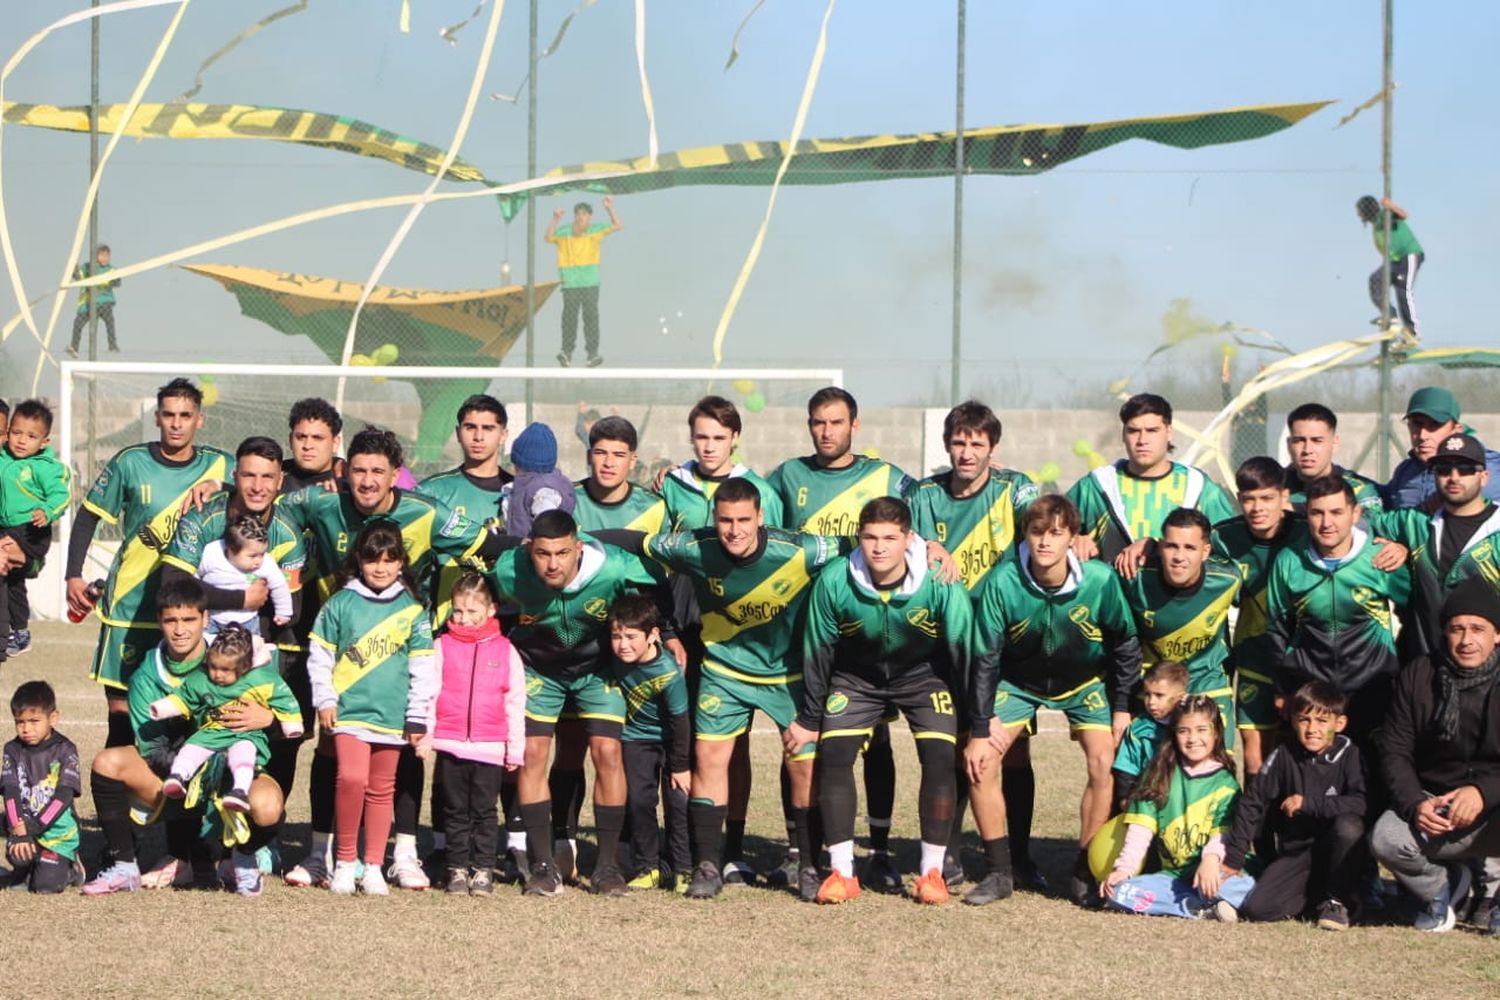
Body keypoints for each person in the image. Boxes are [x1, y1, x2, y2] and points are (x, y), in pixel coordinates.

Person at [279, 426, 506, 891]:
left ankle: (403, 853)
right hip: (338, 651)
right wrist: (216, 490)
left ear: (395, 475)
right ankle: (323, 853)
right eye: (358, 470)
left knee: (403, 747)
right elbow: (265, 503)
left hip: (403, 650)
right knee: (330, 751)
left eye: (378, 471)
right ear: (343, 471)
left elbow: (489, 546)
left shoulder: (425, 513)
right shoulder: (320, 502)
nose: (366, 481)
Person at [614, 478, 847, 901]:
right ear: (714, 519)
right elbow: (634, 541)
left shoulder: (800, 549)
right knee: (708, 758)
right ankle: (707, 864)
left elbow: (863, 542)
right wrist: (576, 542)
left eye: (743, 520)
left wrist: (927, 547)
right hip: (725, 671)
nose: (734, 530)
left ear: (761, 518)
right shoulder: (693, 546)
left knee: (803, 765)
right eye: (725, 520)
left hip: (786, 675)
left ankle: (810, 864)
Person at [789, 497, 972, 905]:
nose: (879, 547)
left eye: (890, 538)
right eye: (870, 537)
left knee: (941, 758)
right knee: (834, 754)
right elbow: (817, 649)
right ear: (859, 537)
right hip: (857, 679)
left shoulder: (939, 579)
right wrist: (809, 716)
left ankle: (931, 874)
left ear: (909, 540)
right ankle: (842, 872)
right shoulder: (836, 579)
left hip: (923, 677)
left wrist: (974, 721)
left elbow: (965, 650)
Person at [767, 386, 915, 889]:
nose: (826, 432)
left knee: (876, 743)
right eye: (817, 423)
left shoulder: (887, 477)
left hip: (866, 633)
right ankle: (798, 848)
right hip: (801, 633)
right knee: (798, 742)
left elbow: (924, 515)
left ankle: (879, 850)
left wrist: (936, 546)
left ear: (855, 425)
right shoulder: (788, 476)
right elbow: (742, 506)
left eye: (835, 422)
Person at [963, 495, 1142, 907]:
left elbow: (1125, 642)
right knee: (980, 762)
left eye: (1056, 534)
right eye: (1037, 532)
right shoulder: (1003, 581)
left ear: (1072, 538)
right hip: (1018, 682)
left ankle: (1083, 869)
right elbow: (985, 656)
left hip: (1084, 682)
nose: (1045, 542)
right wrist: (979, 725)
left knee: (1104, 761)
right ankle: (999, 871)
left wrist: (1121, 705)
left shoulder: (1098, 580)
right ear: (1025, 535)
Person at [486, 510, 673, 898]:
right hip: (539, 670)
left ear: (579, 547)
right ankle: (542, 866)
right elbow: (490, 605)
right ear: (529, 549)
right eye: (542, 554)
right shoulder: (509, 570)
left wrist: (668, 634)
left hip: (596, 669)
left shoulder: (615, 568)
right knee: (533, 753)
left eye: (562, 553)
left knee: (607, 752)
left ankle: (607, 867)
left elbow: (659, 583)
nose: (552, 564)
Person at [907, 400, 1042, 889]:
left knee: (1014, 752)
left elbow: (1042, 515)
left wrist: (1083, 538)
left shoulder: (1013, 488)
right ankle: (950, 854)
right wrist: (922, 544)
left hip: (1005, 641)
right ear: (947, 444)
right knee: (955, 748)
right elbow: (888, 525)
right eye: (959, 442)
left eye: (977, 444)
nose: (966, 453)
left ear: (993, 449)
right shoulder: (922, 495)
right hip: (943, 643)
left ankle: (1020, 858)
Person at [84, 577, 287, 896]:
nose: (180, 630)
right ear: (159, 622)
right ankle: (125, 866)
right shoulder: (146, 676)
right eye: (171, 620)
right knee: (108, 762)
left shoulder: (235, 657)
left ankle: (241, 858)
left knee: (268, 805)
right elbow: (153, 751)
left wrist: (270, 720)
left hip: (237, 776)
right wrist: (201, 774)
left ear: (205, 619)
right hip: (178, 780)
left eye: (189, 619)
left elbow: (285, 716)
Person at [65, 378, 231, 749]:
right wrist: (72, 575)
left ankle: (173, 805)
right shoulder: (130, 461)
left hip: (187, 610)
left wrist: (224, 487)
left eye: (185, 415)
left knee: (185, 713)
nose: (176, 423)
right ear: (157, 417)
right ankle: (117, 805)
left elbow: (269, 481)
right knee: (122, 719)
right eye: (169, 414)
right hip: (128, 604)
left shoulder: (221, 466)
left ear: (199, 420)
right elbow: (88, 515)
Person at [307, 521, 438, 896]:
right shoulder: (339, 603)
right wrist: (325, 699)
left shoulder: (412, 610)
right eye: (372, 559)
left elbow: (423, 668)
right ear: (358, 561)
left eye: (389, 560)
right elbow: (320, 657)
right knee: (351, 779)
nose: (380, 568)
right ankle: (345, 863)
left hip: (393, 717)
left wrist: (416, 715)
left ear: (401, 563)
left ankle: (374, 866)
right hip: (348, 712)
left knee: (382, 790)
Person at [1373, 581, 1500, 934]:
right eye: (1457, 629)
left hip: (1493, 809)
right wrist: (1415, 804)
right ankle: (1440, 890)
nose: (1466, 640)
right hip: (1436, 805)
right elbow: (1395, 749)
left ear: (1497, 635)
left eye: (1478, 629)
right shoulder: (1419, 674)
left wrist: (1482, 792)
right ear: (1445, 631)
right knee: (1386, 838)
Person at [1266, 476, 1411, 765]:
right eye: (1317, 513)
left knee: (1370, 778)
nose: (1326, 523)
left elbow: (1415, 615)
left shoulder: (1379, 559)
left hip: (1372, 689)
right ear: (1307, 515)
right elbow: (1276, 628)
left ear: (1355, 514)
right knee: (1310, 784)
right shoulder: (1288, 561)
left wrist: (1402, 676)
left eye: (1336, 512)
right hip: (1311, 693)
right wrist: (1282, 690)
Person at [1223, 681, 1367, 930]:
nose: (1312, 729)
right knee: (1259, 909)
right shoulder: (1284, 754)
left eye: (1322, 721)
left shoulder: (1350, 754)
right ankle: (1314, 897)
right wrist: (1234, 859)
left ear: (1339, 724)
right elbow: (1252, 802)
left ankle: (1340, 900)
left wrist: (1309, 804)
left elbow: (1360, 802)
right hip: (1298, 852)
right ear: (1292, 721)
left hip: (1336, 849)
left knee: (1349, 825)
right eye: (1304, 720)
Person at [417, 572, 525, 896]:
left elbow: (515, 702)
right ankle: (456, 868)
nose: (463, 619)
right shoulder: (442, 646)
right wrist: (426, 736)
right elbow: (430, 695)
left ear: (491, 610)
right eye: (458, 611)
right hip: (450, 744)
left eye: (472, 611)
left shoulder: (506, 651)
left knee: (483, 810)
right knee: (455, 810)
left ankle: (482, 869)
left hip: (490, 747)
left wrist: (514, 749)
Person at [1101, 695, 1255, 920]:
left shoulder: (1225, 784)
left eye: (1202, 730)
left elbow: (1222, 836)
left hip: (1214, 870)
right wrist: (1124, 869)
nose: (1193, 739)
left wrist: (1210, 861)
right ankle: (1199, 908)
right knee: (1118, 892)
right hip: (1174, 878)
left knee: (1245, 887)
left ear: (1217, 733)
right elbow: (1140, 832)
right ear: (1173, 734)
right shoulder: (1157, 776)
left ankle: (1214, 899)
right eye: (1184, 731)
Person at [1210, 457, 1308, 776]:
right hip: (1254, 653)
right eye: (1249, 499)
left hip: (1304, 654)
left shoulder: (1307, 533)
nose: (1257, 508)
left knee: (1300, 741)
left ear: (1284, 497)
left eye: (1267, 498)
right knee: (1255, 747)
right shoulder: (1223, 538)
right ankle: (1258, 826)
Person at [1366, 432, 1500, 660]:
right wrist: (1399, 545)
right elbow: (1354, 522)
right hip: (1426, 670)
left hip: (1489, 678)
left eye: (1466, 469)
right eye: (1443, 470)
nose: (1454, 477)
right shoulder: (1414, 524)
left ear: (1484, 477)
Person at [1119, 508, 1243, 750]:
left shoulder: (1229, 578)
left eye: (1189, 548)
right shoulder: (1134, 577)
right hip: (1153, 687)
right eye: (1171, 546)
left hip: (1206, 682)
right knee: (1149, 775)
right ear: (1160, 547)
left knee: (1216, 768)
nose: (1179, 556)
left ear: (1206, 551)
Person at [148, 623, 303, 811]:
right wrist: (162, 708)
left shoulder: (261, 679)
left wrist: (291, 724)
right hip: (212, 731)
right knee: (191, 749)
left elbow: (284, 699)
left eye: (225, 670)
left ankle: (239, 790)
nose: (217, 675)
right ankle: (178, 776)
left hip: (244, 734)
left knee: (243, 753)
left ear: (244, 666)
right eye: (213, 667)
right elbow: (184, 697)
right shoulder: (202, 678)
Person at [1067, 393, 1236, 564]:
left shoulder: (1199, 488)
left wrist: (1158, 548)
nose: (1142, 440)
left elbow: (1230, 552)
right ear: (1123, 434)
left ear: (1169, 433)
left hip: (1176, 592)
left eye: (1152, 431)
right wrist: (1073, 539)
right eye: (1133, 431)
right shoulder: (1096, 486)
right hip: (1110, 590)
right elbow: (1047, 531)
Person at [607, 594, 692, 892]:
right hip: (634, 740)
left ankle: (683, 869)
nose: (623, 644)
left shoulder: (668, 672)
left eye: (631, 636)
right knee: (640, 802)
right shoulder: (614, 660)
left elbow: (681, 721)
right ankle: (648, 867)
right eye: (616, 636)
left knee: (678, 803)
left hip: (669, 742)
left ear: (653, 635)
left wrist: (680, 766)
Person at [419, 394, 512, 623]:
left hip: (507, 630)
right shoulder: (432, 493)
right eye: (470, 427)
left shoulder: (519, 493)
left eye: (488, 428)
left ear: (503, 435)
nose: (478, 437)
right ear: (459, 432)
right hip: (447, 629)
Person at [0, 399, 71, 661]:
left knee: (4, 565)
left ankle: (7, 635)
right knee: (12, 582)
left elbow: (62, 496)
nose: (21, 441)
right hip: (7, 526)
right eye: (16, 433)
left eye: (31, 436)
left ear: (44, 442)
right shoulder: (4, 458)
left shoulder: (45, 467)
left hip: (32, 529)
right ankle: (20, 631)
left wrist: (48, 511)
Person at [3, 681, 82, 893]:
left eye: (34, 721)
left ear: (53, 718)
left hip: (57, 833)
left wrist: (34, 827)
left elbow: (63, 797)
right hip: (26, 828)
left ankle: (71, 868)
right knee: (17, 858)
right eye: (19, 722)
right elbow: (10, 793)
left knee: (45, 887)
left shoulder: (65, 749)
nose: (26, 729)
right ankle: (29, 865)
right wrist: (19, 832)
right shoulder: (12, 749)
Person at [661, 396, 785, 531]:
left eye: (719, 438)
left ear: (735, 438)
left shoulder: (762, 491)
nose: (709, 448)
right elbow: (657, 544)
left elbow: (774, 547)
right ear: (691, 437)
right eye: (702, 437)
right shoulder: (671, 485)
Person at [1383, 387, 1500, 510]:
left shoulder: (1489, 466)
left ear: (1457, 430)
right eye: (1417, 424)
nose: (1423, 435)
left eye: (1434, 425)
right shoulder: (1405, 471)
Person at [547, 196, 621, 367]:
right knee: (569, 318)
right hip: (571, 283)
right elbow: (548, 237)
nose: (581, 217)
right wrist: (555, 219)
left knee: (591, 318)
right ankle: (566, 353)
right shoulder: (565, 232)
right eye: (578, 214)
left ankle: (592, 354)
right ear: (575, 216)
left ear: (590, 217)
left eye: (585, 214)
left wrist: (609, 208)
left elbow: (618, 225)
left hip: (590, 283)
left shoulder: (595, 230)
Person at [193, 516, 293, 638]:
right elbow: (194, 576)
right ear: (231, 549)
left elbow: (279, 585)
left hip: (247, 621)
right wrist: (198, 607)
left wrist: (284, 611)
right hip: (212, 620)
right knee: (207, 648)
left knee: (250, 651)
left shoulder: (266, 564)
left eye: (262, 554)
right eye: (252, 556)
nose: (259, 560)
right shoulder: (212, 554)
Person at [1111, 660, 1189, 812]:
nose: (1151, 702)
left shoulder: (1193, 724)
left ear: (1180, 696)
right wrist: (1124, 797)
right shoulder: (1138, 728)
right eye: (1147, 694)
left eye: (1159, 695)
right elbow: (1127, 768)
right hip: (1148, 798)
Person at [1282, 403, 1383, 513]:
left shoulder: (1358, 490)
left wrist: (1295, 509)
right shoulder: (1274, 486)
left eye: (1317, 441)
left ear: (1334, 444)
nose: (1307, 450)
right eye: (1299, 441)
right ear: (1289, 444)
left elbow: (1369, 526)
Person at [574, 416, 667, 533]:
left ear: (632, 461)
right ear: (588, 457)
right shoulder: (565, 501)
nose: (608, 463)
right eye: (600, 453)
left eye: (618, 455)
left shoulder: (654, 508)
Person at [1356, 194, 1423, 335]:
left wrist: (1390, 205)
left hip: (1409, 255)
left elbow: (1403, 215)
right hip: (1394, 261)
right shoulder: (1376, 226)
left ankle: (1412, 331)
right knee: (1376, 279)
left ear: (1366, 210)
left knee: (1403, 289)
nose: (1359, 215)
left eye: (1360, 212)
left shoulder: (1383, 215)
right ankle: (1391, 315)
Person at [67, 243, 121, 356]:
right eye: (102, 255)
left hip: (104, 302)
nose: (105, 258)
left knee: (110, 322)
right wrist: (74, 270)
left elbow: (117, 282)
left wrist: (115, 280)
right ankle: (74, 347)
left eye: (107, 256)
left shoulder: (110, 269)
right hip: (88, 304)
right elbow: (78, 277)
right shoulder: (87, 267)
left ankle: (112, 345)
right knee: (78, 324)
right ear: (95, 256)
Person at [282, 398, 345, 493]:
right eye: (301, 437)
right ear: (291, 440)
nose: (307, 446)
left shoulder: (348, 486)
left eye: (317, 438)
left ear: (335, 443)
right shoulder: (270, 480)